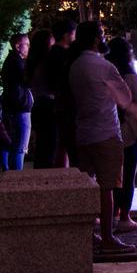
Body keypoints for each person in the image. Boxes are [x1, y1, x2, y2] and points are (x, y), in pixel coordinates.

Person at [70, 21, 137, 254]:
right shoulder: (103, 66)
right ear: (95, 38)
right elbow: (125, 96)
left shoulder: (75, 66)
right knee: (108, 186)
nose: (104, 37)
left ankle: (90, 233)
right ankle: (108, 238)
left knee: (88, 184)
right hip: (105, 131)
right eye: (102, 33)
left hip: (83, 132)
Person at [106, 37, 137, 233]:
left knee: (114, 176)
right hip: (131, 130)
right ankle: (125, 216)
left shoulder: (108, 75)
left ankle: (112, 214)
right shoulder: (131, 77)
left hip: (111, 129)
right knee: (129, 174)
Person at [45, 19, 77, 166]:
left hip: (58, 103)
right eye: (74, 34)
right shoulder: (64, 55)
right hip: (66, 104)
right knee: (67, 143)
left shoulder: (52, 53)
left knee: (63, 144)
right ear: (67, 35)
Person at [0, 33, 33, 171]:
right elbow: (28, 80)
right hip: (20, 108)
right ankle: (16, 179)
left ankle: (11, 174)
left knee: (15, 146)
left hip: (17, 107)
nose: (29, 47)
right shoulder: (17, 63)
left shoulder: (12, 61)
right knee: (20, 147)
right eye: (27, 44)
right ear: (18, 46)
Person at [26, 29, 54, 169]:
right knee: (49, 146)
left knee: (42, 146)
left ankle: (41, 174)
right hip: (47, 105)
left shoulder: (31, 62)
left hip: (38, 105)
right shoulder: (45, 62)